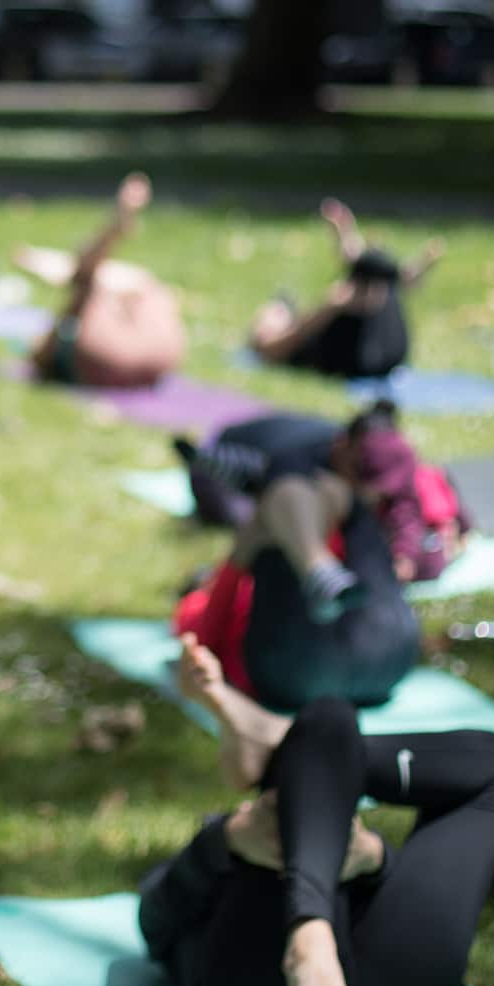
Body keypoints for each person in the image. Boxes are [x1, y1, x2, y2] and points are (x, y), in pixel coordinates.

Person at [139, 634, 494, 986]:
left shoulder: (239, 842)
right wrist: (374, 858)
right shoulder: (250, 834)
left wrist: (227, 841)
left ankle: (308, 941)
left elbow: (156, 924)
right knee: (335, 724)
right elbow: (154, 924)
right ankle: (297, 750)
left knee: (328, 723)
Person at [173, 418, 421, 713]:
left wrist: (237, 561)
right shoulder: (196, 602)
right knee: (308, 498)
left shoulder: (244, 570)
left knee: (295, 499)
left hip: (303, 672)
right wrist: (238, 559)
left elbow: (204, 643)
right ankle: (259, 479)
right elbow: (203, 640)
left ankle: (259, 477)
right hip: (387, 660)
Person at [176, 402, 470, 584]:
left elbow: (404, 509)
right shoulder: (306, 456)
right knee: (265, 524)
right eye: (361, 475)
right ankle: (223, 464)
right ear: (343, 446)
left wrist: (403, 556)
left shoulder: (390, 461)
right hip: (227, 464)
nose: (370, 493)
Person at [15, 170, 186, 389]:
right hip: (161, 357)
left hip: (118, 358)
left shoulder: (65, 340)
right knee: (89, 280)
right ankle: (114, 228)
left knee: (86, 279)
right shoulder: (92, 330)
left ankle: (113, 228)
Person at [250, 200, 443, 379]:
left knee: (275, 314)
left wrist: (326, 308)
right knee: (375, 277)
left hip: (343, 355)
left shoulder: (341, 302)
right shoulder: (382, 296)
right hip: (375, 358)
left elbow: (273, 348)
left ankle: (351, 248)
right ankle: (352, 248)